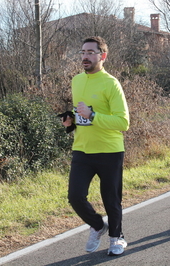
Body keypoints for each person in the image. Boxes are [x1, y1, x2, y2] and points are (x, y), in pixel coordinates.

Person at [61, 36, 130, 255]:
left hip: (109, 150)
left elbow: (123, 122)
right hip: (82, 148)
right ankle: (99, 226)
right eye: (83, 52)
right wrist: (70, 120)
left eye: (91, 52)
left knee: (111, 198)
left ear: (103, 56)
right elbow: (80, 113)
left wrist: (93, 115)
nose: (85, 56)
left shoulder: (111, 83)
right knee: (75, 196)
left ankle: (117, 237)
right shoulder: (76, 81)